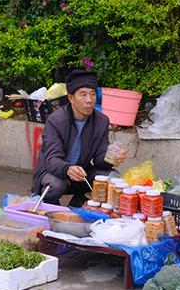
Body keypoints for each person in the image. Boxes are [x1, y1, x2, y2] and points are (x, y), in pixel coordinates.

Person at [32, 70, 128, 206]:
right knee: (56, 185)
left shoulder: (101, 121)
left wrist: (111, 157)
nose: (89, 100)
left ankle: (76, 208)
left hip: (82, 172)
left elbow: (100, 160)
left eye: (93, 94)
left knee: (111, 178)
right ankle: (50, 211)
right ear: (71, 98)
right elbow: (52, 159)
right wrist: (68, 169)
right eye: (83, 95)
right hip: (56, 172)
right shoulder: (56, 121)